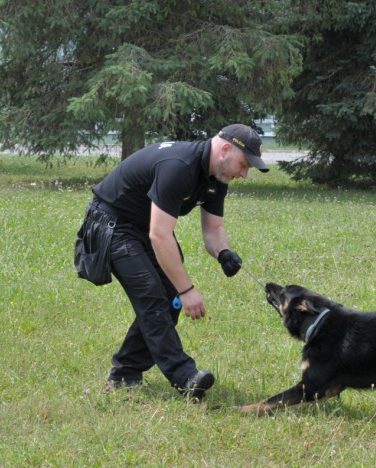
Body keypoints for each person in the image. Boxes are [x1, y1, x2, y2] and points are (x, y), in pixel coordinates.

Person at [87, 124, 268, 401]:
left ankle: (125, 373)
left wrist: (223, 252)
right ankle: (185, 376)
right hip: (111, 223)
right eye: (244, 165)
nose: (243, 174)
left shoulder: (217, 178)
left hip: (145, 228)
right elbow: (160, 235)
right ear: (225, 149)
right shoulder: (179, 166)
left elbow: (213, 229)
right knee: (152, 294)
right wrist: (187, 290)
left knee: (168, 297)